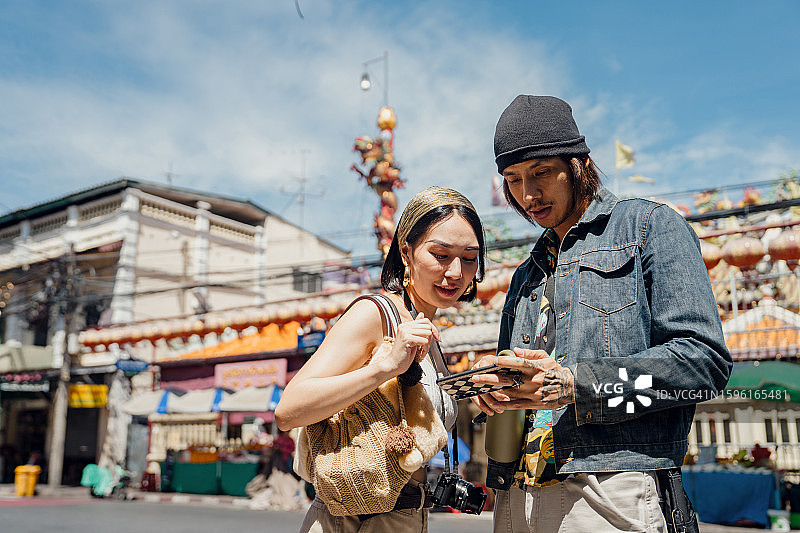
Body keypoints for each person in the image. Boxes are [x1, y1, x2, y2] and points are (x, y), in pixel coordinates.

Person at [470, 95, 732, 533]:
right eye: (512, 180)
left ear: (579, 164)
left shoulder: (649, 228)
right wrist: (495, 389)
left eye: (540, 172)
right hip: (515, 496)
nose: (527, 194)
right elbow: (520, 390)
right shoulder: (524, 275)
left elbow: (703, 365)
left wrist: (577, 385)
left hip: (610, 488)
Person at [275, 186, 486, 532]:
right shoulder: (375, 315)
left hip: (406, 516)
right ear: (406, 252)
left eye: (469, 258)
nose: (455, 272)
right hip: (351, 521)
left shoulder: (427, 333)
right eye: (441, 254)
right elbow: (288, 411)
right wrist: (385, 367)